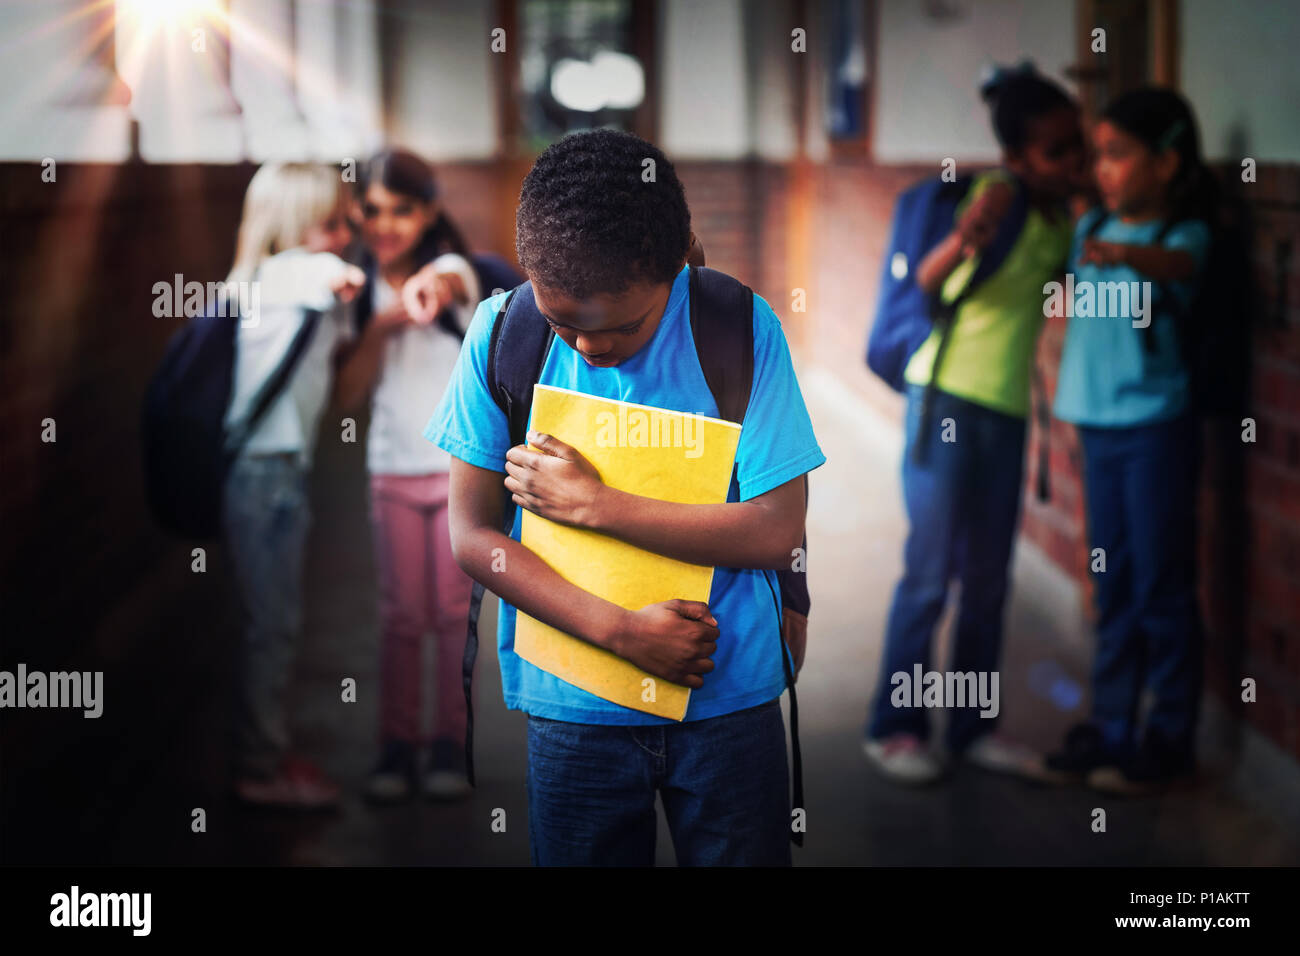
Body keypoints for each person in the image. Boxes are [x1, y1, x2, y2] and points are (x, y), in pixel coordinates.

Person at [423, 129, 824, 866]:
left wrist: (595, 506)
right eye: (562, 322)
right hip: (573, 706)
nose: (589, 348)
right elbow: (475, 537)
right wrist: (621, 632)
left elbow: (775, 529)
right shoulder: (500, 337)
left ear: (676, 267)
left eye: (624, 324)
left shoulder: (738, 328)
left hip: (726, 696)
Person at [863, 64, 1086, 785]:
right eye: (1057, 152)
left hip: (1007, 414)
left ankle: (973, 728)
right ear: (1019, 159)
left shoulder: (1061, 214)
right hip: (947, 402)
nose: (1073, 162)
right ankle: (893, 728)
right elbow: (929, 281)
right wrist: (965, 241)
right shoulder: (999, 196)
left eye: (1077, 147)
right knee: (931, 574)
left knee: (990, 579)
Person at [1046, 88, 1215, 794]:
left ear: (1168, 162)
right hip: (1097, 431)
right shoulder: (1091, 228)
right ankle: (1113, 728)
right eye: (1100, 156)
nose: (1105, 169)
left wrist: (1125, 253)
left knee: (1160, 587)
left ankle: (1168, 735)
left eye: (1119, 154)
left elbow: (1179, 270)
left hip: (1154, 432)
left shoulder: (1182, 239)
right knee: (1111, 586)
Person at [333, 149, 481, 803]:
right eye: (373, 209)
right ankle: (396, 746)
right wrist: (378, 327)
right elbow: (345, 397)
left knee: (453, 615)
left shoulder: (455, 271)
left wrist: (432, 287)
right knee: (399, 617)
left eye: (403, 210)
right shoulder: (354, 288)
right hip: (391, 467)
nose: (386, 224)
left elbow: (451, 278)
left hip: (456, 474)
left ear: (428, 213)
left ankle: (450, 743)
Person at [223, 162, 365, 808]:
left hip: (279, 471)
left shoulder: (281, 286)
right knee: (271, 624)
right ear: (292, 225)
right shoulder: (282, 278)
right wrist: (345, 271)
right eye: (329, 222)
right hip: (264, 473)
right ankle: (261, 768)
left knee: (274, 620)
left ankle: (268, 748)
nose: (341, 234)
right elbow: (330, 276)